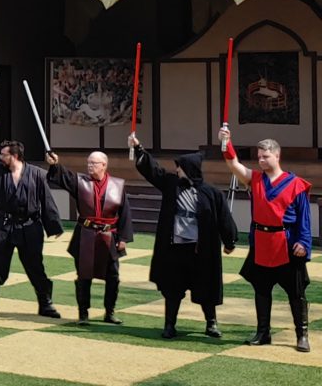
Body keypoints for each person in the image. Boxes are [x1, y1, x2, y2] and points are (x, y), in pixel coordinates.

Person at [130, 135, 237, 339]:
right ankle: (170, 324)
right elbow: (153, 171)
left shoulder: (211, 193)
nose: (176, 170)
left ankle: (211, 323)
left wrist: (229, 241)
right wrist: (138, 148)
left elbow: (224, 217)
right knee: (172, 289)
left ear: (189, 169)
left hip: (201, 250)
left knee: (207, 288)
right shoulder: (171, 185)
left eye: (179, 167)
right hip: (175, 247)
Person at [218, 127, 312, 352]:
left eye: (265, 156)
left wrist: (304, 243)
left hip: (287, 243)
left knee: (296, 293)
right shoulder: (255, 179)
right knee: (261, 290)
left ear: (277, 156)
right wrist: (226, 142)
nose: (260, 160)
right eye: (259, 156)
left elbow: (304, 219)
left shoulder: (296, 184)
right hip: (261, 243)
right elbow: (233, 165)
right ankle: (263, 332)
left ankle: (302, 335)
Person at [0, 129, 63, 318]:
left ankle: (46, 304)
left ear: (15, 156)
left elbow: (46, 200)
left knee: (35, 266)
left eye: (3, 154)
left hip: (30, 226)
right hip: (4, 225)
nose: (0, 157)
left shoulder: (37, 175)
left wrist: (53, 225)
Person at [46, 150, 133, 324]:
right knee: (84, 276)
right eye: (88, 163)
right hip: (85, 234)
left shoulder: (117, 185)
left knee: (113, 277)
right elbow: (63, 177)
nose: (90, 166)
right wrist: (55, 165)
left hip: (109, 236)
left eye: (94, 163)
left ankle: (110, 312)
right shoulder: (80, 182)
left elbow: (125, 213)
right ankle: (83, 314)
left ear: (104, 165)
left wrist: (123, 238)